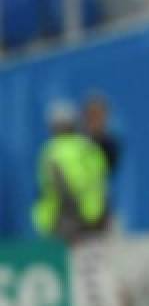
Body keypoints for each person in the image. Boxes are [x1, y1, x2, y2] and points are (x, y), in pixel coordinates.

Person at [31, 100, 109, 242]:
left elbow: (59, 188)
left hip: (66, 221)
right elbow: (101, 178)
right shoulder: (89, 147)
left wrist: (70, 221)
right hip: (95, 216)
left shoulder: (52, 151)